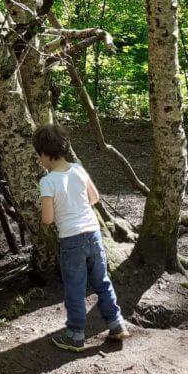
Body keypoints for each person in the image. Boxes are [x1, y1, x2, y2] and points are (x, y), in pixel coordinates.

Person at [33, 123, 128, 352]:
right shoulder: (77, 169)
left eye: (40, 156)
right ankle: (116, 324)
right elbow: (94, 198)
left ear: (45, 154)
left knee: (75, 289)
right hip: (93, 233)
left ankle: (75, 335)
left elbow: (47, 218)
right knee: (102, 281)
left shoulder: (47, 182)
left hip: (71, 239)